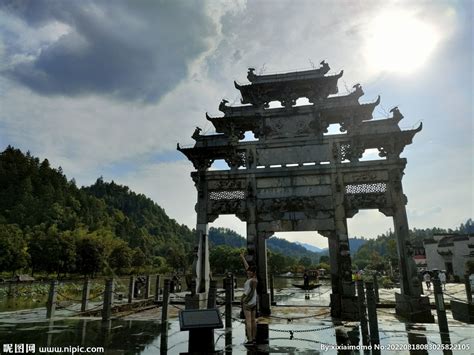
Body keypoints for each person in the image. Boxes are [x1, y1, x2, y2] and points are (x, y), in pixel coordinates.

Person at [240, 251, 257, 346]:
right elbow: (247, 267)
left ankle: (250, 340)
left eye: (250, 271)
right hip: (254, 302)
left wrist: (241, 300)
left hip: (247, 303)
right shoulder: (255, 279)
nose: (248, 271)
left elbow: (245, 293)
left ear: (253, 272)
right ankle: (254, 338)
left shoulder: (248, 282)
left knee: (248, 321)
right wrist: (243, 257)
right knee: (253, 320)